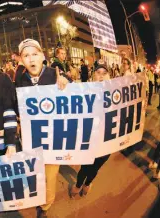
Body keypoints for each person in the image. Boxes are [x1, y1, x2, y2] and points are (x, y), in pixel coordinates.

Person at [15, 39, 69, 217]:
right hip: (31, 138)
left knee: (49, 176)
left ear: (42, 56)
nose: (31, 59)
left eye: (34, 54)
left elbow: (76, 98)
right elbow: (17, 107)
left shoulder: (55, 74)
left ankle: (45, 207)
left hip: (54, 138)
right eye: (26, 55)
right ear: (21, 60)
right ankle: (37, 195)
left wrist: (66, 82)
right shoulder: (20, 80)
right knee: (35, 172)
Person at [71, 60, 112, 197]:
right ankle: (78, 185)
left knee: (96, 167)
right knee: (86, 166)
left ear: (109, 76)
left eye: (104, 73)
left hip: (107, 141)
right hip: (90, 138)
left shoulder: (115, 93)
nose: (101, 76)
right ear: (93, 75)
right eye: (98, 73)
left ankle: (88, 183)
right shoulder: (84, 90)